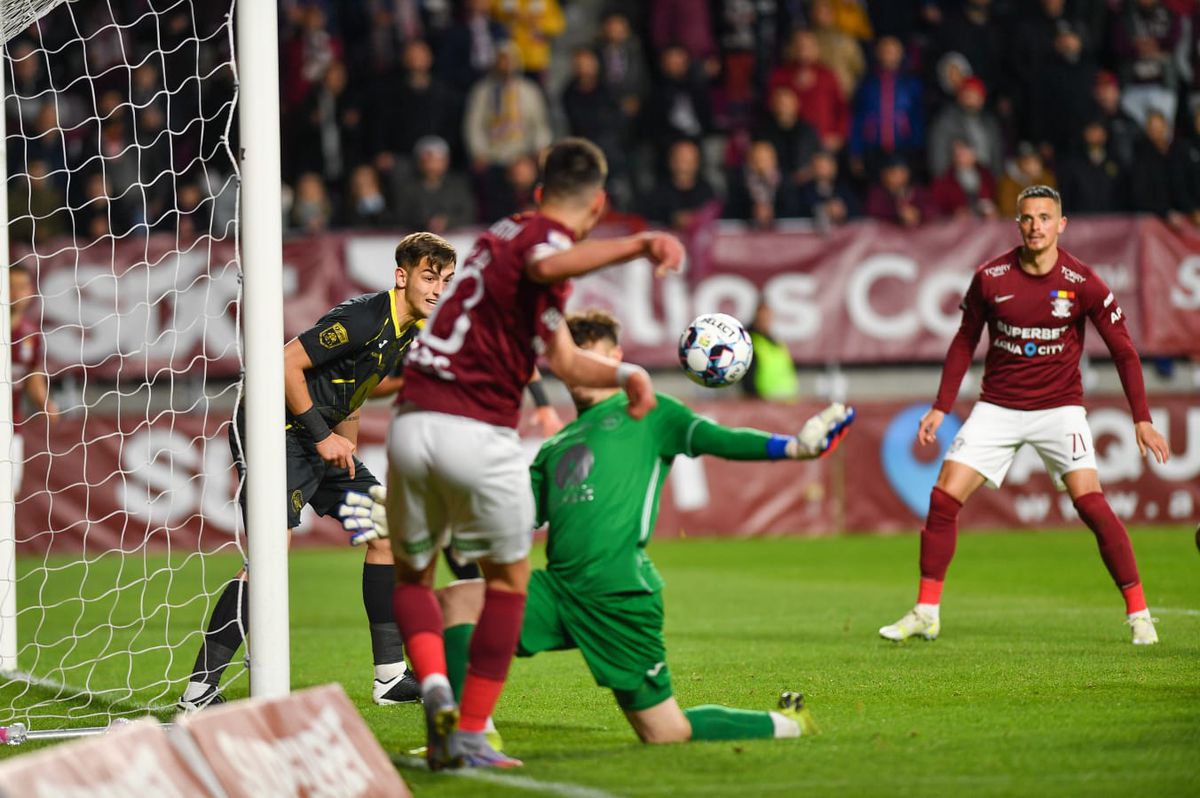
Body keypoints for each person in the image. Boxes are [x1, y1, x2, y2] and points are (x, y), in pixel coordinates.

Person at [343, 310, 854, 748]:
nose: (589, 368)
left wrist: (794, 447)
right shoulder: (556, 447)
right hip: (559, 589)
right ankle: (469, 734)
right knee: (456, 602)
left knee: (664, 731)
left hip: (620, 596)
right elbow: (506, 515)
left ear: (620, 358)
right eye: (578, 356)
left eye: (600, 355)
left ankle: (786, 724)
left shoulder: (649, 413)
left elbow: (721, 439)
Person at [384, 138, 684, 770]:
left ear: (540, 188)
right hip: (478, 430)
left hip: (411, 424)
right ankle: (467, 730)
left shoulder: (500, 237)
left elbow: (566, 360)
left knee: (413, 577)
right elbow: (551, 265)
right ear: (598, 206)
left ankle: (434, 684)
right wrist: (640, 244)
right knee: (507, 584)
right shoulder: (544, 242)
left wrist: (626, 373)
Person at [878, 185, 1171, 647]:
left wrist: (1142, 417)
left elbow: (1124, 351)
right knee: (942, 500)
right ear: (1018, 224)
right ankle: (926, 611)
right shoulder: (991, 277)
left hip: (1060, 409)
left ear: (1061, 225)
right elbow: (963, 341)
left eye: (1044, 218)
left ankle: (1139, 614)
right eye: (1028, 218)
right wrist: (940, 406)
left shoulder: (1083, 282)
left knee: (1091, 504)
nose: (1036, 226)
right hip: (998, 407)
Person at [176, 232, 458, 712]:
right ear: (401, 276)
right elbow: (284, 363)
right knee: (269, 557)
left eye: (446, 280)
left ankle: (389, 678)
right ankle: (198, 692)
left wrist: (341, 437)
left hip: (317, 436)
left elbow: (353, 386)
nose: (437, 289)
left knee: (386, 529)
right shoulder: (366, 315)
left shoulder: (407, 329)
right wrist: (323, 435)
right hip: (272, 431)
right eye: (429, 277)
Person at [8, 264, 60, 496]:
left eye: (22, 286)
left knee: (10, 492)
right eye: (11, 286)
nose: (17, 292)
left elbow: (33, 376)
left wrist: (44, 402)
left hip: (12, 426)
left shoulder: (30, 335)